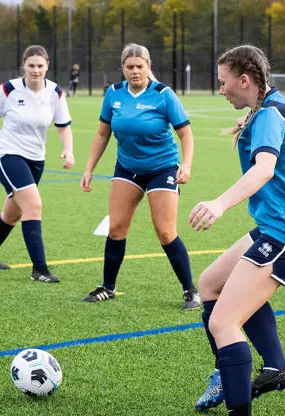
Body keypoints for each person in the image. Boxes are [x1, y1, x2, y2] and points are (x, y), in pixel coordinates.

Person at [190, 45, 285, 416]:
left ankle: (238, 401)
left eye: (223, 82)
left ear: (244, 80)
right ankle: (266, 367)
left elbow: (264, 169)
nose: (220, 90)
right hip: (276, 226)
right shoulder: (267, 108)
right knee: (210, 283)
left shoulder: (269, 114)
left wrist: (218, 204)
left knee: (223, 321)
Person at [79, 43, 200, 310]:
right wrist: (89, 168)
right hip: (127, 168)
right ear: (123, 68)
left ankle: (190, 290)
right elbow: (102, 134)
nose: (135, 71)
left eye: (140, 66)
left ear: (148, 66)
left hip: (163, 169)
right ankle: (107, 287)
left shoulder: (164, 95)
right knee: (116, 228)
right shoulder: (113, 94)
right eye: (130, 67)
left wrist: (187, 165)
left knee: (166, 232)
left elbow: (186, 133)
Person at [0, 45, 74, 284]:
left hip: (36, 160)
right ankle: (39, 270)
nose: (35, 70)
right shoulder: (8, 90)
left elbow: (63, 126)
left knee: (13, 213)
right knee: (34, 206)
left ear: (47, 66)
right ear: (24, 66)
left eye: (40, 66)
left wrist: (68, 150)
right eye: (31, 66)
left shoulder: (55, 93)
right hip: (8, 155)